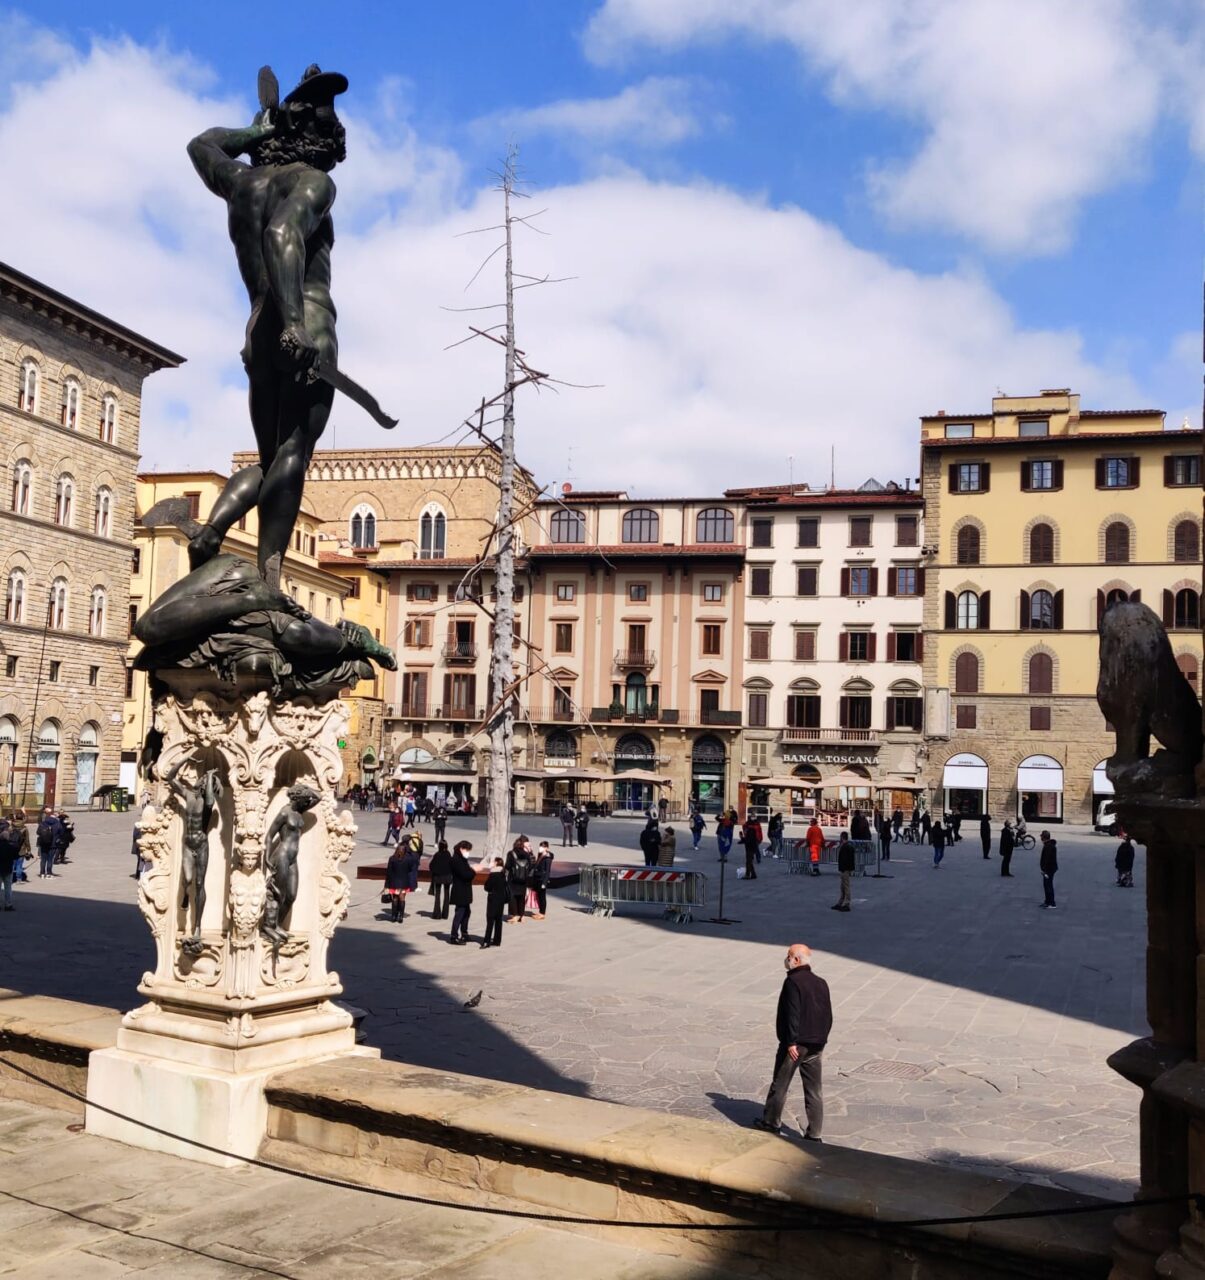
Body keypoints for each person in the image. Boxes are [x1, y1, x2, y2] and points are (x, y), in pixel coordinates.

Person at [753, 943, 832, 1141]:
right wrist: (822, 1039)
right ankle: (815, 1134)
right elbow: (828, 1015)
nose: (786, 959)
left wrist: (790, 1042)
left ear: (796, 960)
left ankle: (771, 1123)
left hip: (796, 1045)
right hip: (816, 1044)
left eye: (788, 956)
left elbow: (792, 1015)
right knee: (814, 1090)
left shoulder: (793, 982)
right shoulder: (821, 982)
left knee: (780, 1084)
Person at [448, 840, 475, 944]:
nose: (468, 852)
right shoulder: (456, 860)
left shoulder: (462, 859)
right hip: (460, 890)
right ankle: (454, 936)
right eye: (467, 850)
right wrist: (474, 870)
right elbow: (465, 875)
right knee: (459, 913)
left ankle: (464, 933)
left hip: (464, 890)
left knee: (467, 912)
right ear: (461, 849)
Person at [383, 841, 415, 923]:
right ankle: (401, 916)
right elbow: (411, 869)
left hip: (394, 882)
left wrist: (386, 884)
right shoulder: (408, 859)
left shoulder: (392, 858)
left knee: (395, 899)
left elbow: (389, 872)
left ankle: (394, 916)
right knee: (402, 898)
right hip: (404, 882)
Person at [505, 835, 534, 922]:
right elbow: (530, 866)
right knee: (522, 897)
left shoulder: (511, 853)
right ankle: (522, 915)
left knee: (513, 897)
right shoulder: (526, 854)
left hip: (513, 879)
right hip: (523, 879)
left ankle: (514, 915)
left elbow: (508, 866)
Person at [481, 857, 508, 948]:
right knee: (498, 920)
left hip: (493, 899)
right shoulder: (503, 873)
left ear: (496, 863)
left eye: (493, 862)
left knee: (490, 919)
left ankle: (486, 941)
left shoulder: (493, 874)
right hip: (501, 899)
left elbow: (487, 887)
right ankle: (497, 940)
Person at [429, 839, 453, 919]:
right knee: (447, 895)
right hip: (447, 877)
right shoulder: (448, 854)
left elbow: (431, 866)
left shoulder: (437, 854)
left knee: (437, 895)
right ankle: (445, 914)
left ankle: (437, 914)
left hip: (438, 877)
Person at [0, 818, 20, 911]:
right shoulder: (11, 847)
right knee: (8, 888)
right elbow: (16, 857)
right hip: (8, 869)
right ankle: (8, 904)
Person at [35, 806, 60, 879]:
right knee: (50, 859)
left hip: (44, 843)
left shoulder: (43, 823)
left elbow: (38, 832)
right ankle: (49, 873)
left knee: (43, 859)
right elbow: (61, 832)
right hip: (53, 844)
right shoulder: (57, 823)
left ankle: (42, 873)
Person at [832, 831, 855, 911]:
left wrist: (844, 869)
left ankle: (846, 903)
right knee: (843, 887)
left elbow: (845, 860)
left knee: (846, 886)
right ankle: (841, 902)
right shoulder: (848, 846)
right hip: (845, 868)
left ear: (842, 837)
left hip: (844, 869)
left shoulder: (845, 847)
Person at [531, 842, 553, 918]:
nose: (540, 848)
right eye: (540, 846)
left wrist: (544, 882)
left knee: (542, 896)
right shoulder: (540, 855)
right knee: (539, 896)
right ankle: (540, 911)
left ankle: (542, 913)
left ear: (546, 848)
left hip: (542, 879)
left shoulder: (548, 858)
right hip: (537, 878)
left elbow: (547, 871)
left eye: (543, 847)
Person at [1039, 830, 1058, 908]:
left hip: (1049, 869)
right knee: (1046, 885)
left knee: (1048, 885)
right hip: (1049, 869)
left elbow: (1047, 859)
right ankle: (1047, 901)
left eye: (1041, 836)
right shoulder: (1048, 845)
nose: (1040, 838)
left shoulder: (1048, 846)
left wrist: (1045, 871)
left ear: (1044, 837)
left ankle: (1051, 903)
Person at [10, 809, 30, 883]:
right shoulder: (24, 828)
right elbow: (27, 840)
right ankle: (19, 879)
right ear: (22, 818)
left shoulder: (11, 826)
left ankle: (10, 878)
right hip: (21, 849)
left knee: (12, 864)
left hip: (12, 848)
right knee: (19, 865)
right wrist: (29, 850)